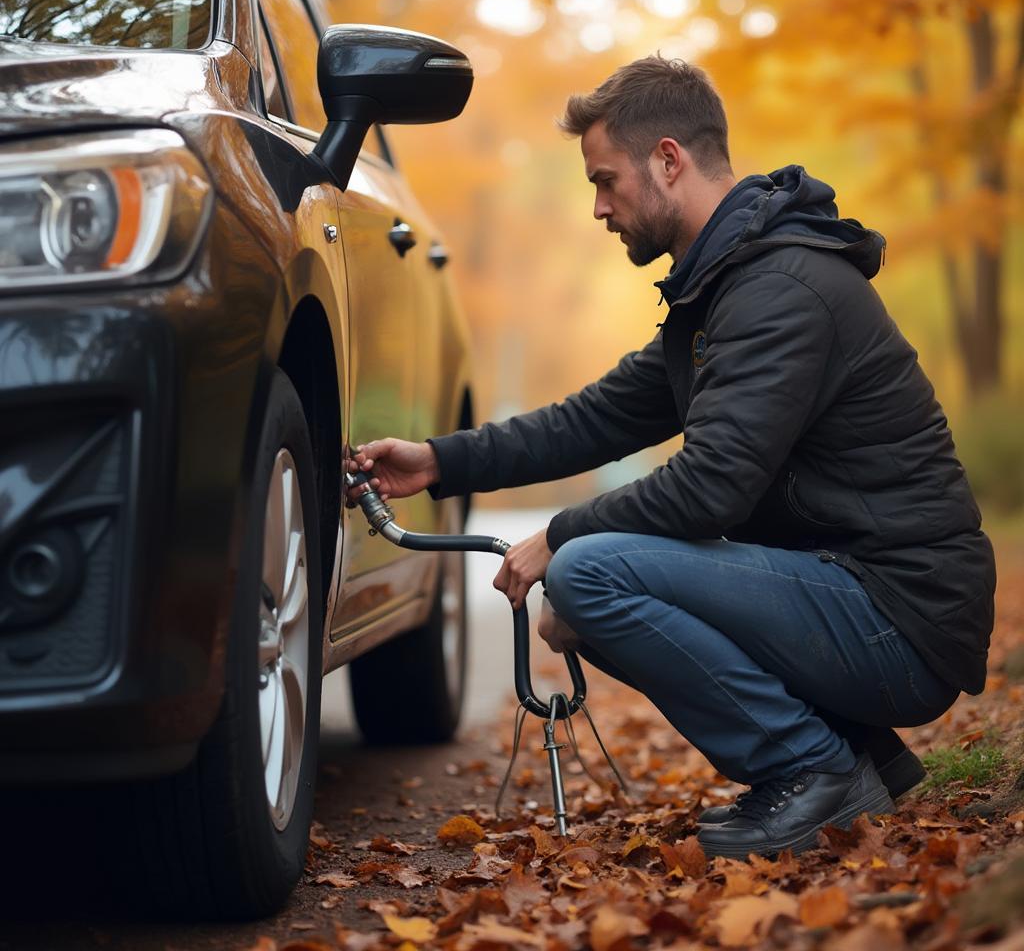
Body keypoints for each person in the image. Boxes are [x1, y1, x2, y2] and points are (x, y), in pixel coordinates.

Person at [346, 56, 996, 859]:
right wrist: (441, 461)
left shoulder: (778, 289)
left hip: (900, 619)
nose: (598, 207)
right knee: (588, 575)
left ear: (667, 160)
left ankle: (813, 769)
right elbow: (594, 419)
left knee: (587, 572)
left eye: (606, 180)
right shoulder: (723, 290)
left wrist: (561, 534)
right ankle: (862, 756)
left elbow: (712, 487)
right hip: (859, 596)